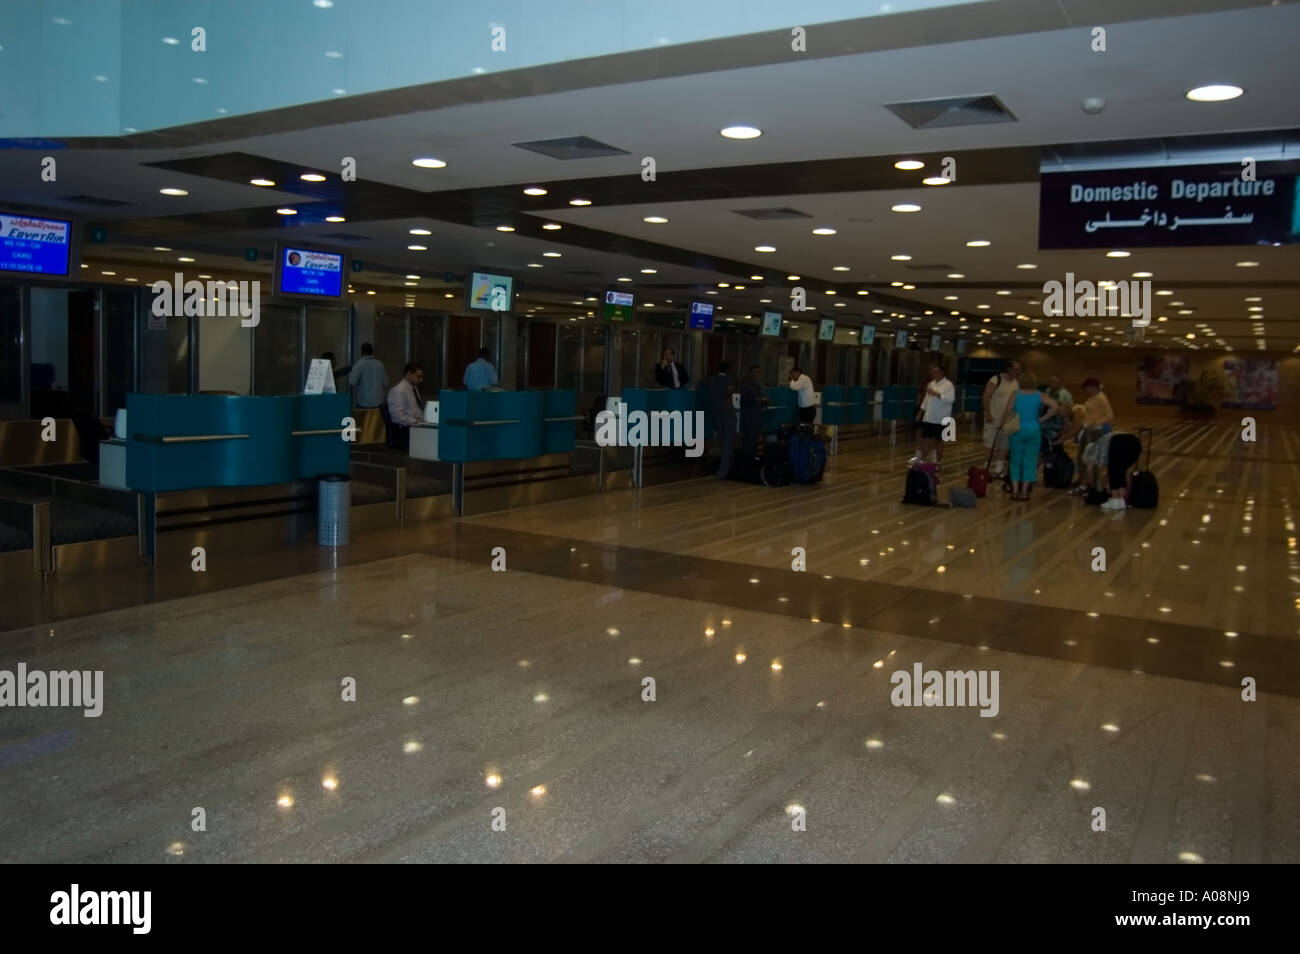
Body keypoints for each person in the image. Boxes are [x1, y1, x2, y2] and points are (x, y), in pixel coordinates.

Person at [1000, 371, 1059, 501]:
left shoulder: (1015, 394)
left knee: (1015, 460)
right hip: (1034, 430)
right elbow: (1055, 406)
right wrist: (1043, 418)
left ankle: (1015, 491)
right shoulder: (1040, 395)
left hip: (1017, 429)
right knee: (1030, 461)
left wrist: (1001, 425)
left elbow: (1007, 411)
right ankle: (1025, 492)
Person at [1070, 377, 1114, 494]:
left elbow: (1109, 416)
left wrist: (1095, 423)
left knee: (1089, 458)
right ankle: (1085, 482)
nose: (1086, 391)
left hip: (1095, 431)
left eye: (1087, 388)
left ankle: (1089, 484)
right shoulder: (1092, 397)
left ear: (1093, 387)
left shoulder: (1101, 398)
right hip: (1088, 429)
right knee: (1082, 457)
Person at [982, 359, 1021, 480]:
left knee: (1004, 445)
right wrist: (988, 413)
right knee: (990, 444)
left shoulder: (1016, 383)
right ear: (1009, 369)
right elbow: (986, 396)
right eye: (1016, 370)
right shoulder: (996, 379)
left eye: (1019, 370)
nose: (1018, 372)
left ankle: (998, 470)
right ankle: (987, 468)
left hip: (1009, 420)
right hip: (994, 418)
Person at [914, 360, 955, 467]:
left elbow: (950, 399)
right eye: (932, 372)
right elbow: (926, 400)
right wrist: (920, 412)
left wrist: (937, 394)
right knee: (926, 439)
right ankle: (922, 460)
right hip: (928, 417)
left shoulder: (948, 385)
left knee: (938, 441)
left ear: (942, 372)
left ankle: (938, 462)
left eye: (936, 372)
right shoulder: (930, 384)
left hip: (941, 418)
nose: (933, 374)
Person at [704, 362, 736, 479]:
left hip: (716, 414)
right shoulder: (729, 380)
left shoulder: (710, 380)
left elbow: (701, 385)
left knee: (723, 443)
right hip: (727, 414)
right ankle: (723, 472)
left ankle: (730, 468)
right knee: (728, 443)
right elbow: (729, 394)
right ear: (728, 369)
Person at [347, 343, 387, 408]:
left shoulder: (359, 364)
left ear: (362, 352)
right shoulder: (380, 364)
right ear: (372, 352)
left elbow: (352, 382)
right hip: (379, 402)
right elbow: (386, 382)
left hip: (364, 403)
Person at [739, 365, 767, 459]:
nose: (757, 374)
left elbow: (764, 401)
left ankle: (754, 462)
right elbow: (743, 402)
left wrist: (764, 401)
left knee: (757, 443)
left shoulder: (761, 387)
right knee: (748, 443)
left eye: (758, 372)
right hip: (749, 419)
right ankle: (746, 463)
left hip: (759, 418)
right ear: (750, 373)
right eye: (755, 372)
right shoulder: (746, 386)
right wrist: (756, 400)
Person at [387, 361, 425, 428]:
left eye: (421, 377)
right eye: (418, 377)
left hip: (417, 424)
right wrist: (415, 421)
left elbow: (417, 410)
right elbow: (397, 416)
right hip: (406, 428)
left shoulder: (414, 388)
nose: (421, 380)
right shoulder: (398, 391)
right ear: (408, 374)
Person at [1041, 373, 1073, 448]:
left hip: (1059, 422)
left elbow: (1070, 410)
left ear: (1059, 382)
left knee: (1055, 444)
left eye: (1052, 381)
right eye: (1049, 381)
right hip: (1046, 420)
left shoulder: (1066, 394)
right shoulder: (1047, 391)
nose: (1050, 383)